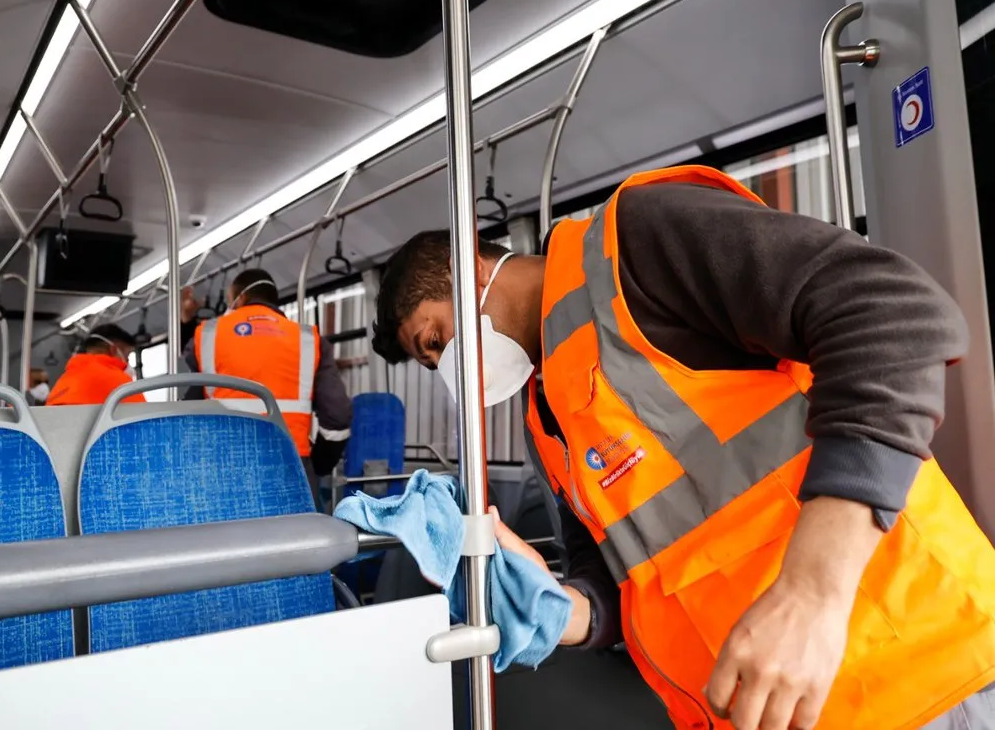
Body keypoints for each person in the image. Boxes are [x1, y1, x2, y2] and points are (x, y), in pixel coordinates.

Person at [370, 165, 995, 730]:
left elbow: (894, 316)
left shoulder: (632, 244)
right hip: (757, 709)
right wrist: (564, 610)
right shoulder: (546, 415)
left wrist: (810, 591)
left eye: (436, 339)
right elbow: (623, 579)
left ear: (470, 269)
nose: (448, 366)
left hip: (918, 676)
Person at [179, 270, 352, 509]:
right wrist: (317, 465)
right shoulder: (308, 340)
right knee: (299, 534)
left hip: (221, 471)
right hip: (291, 468)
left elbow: (185, 403)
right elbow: (338, 416)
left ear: (239, 298)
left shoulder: (208, 335)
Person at [45, 323, 145, 406]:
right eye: (127, 355)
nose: (127, 361)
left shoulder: (64, 380)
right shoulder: (119, 382)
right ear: (113, 349)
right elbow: (142, 418)